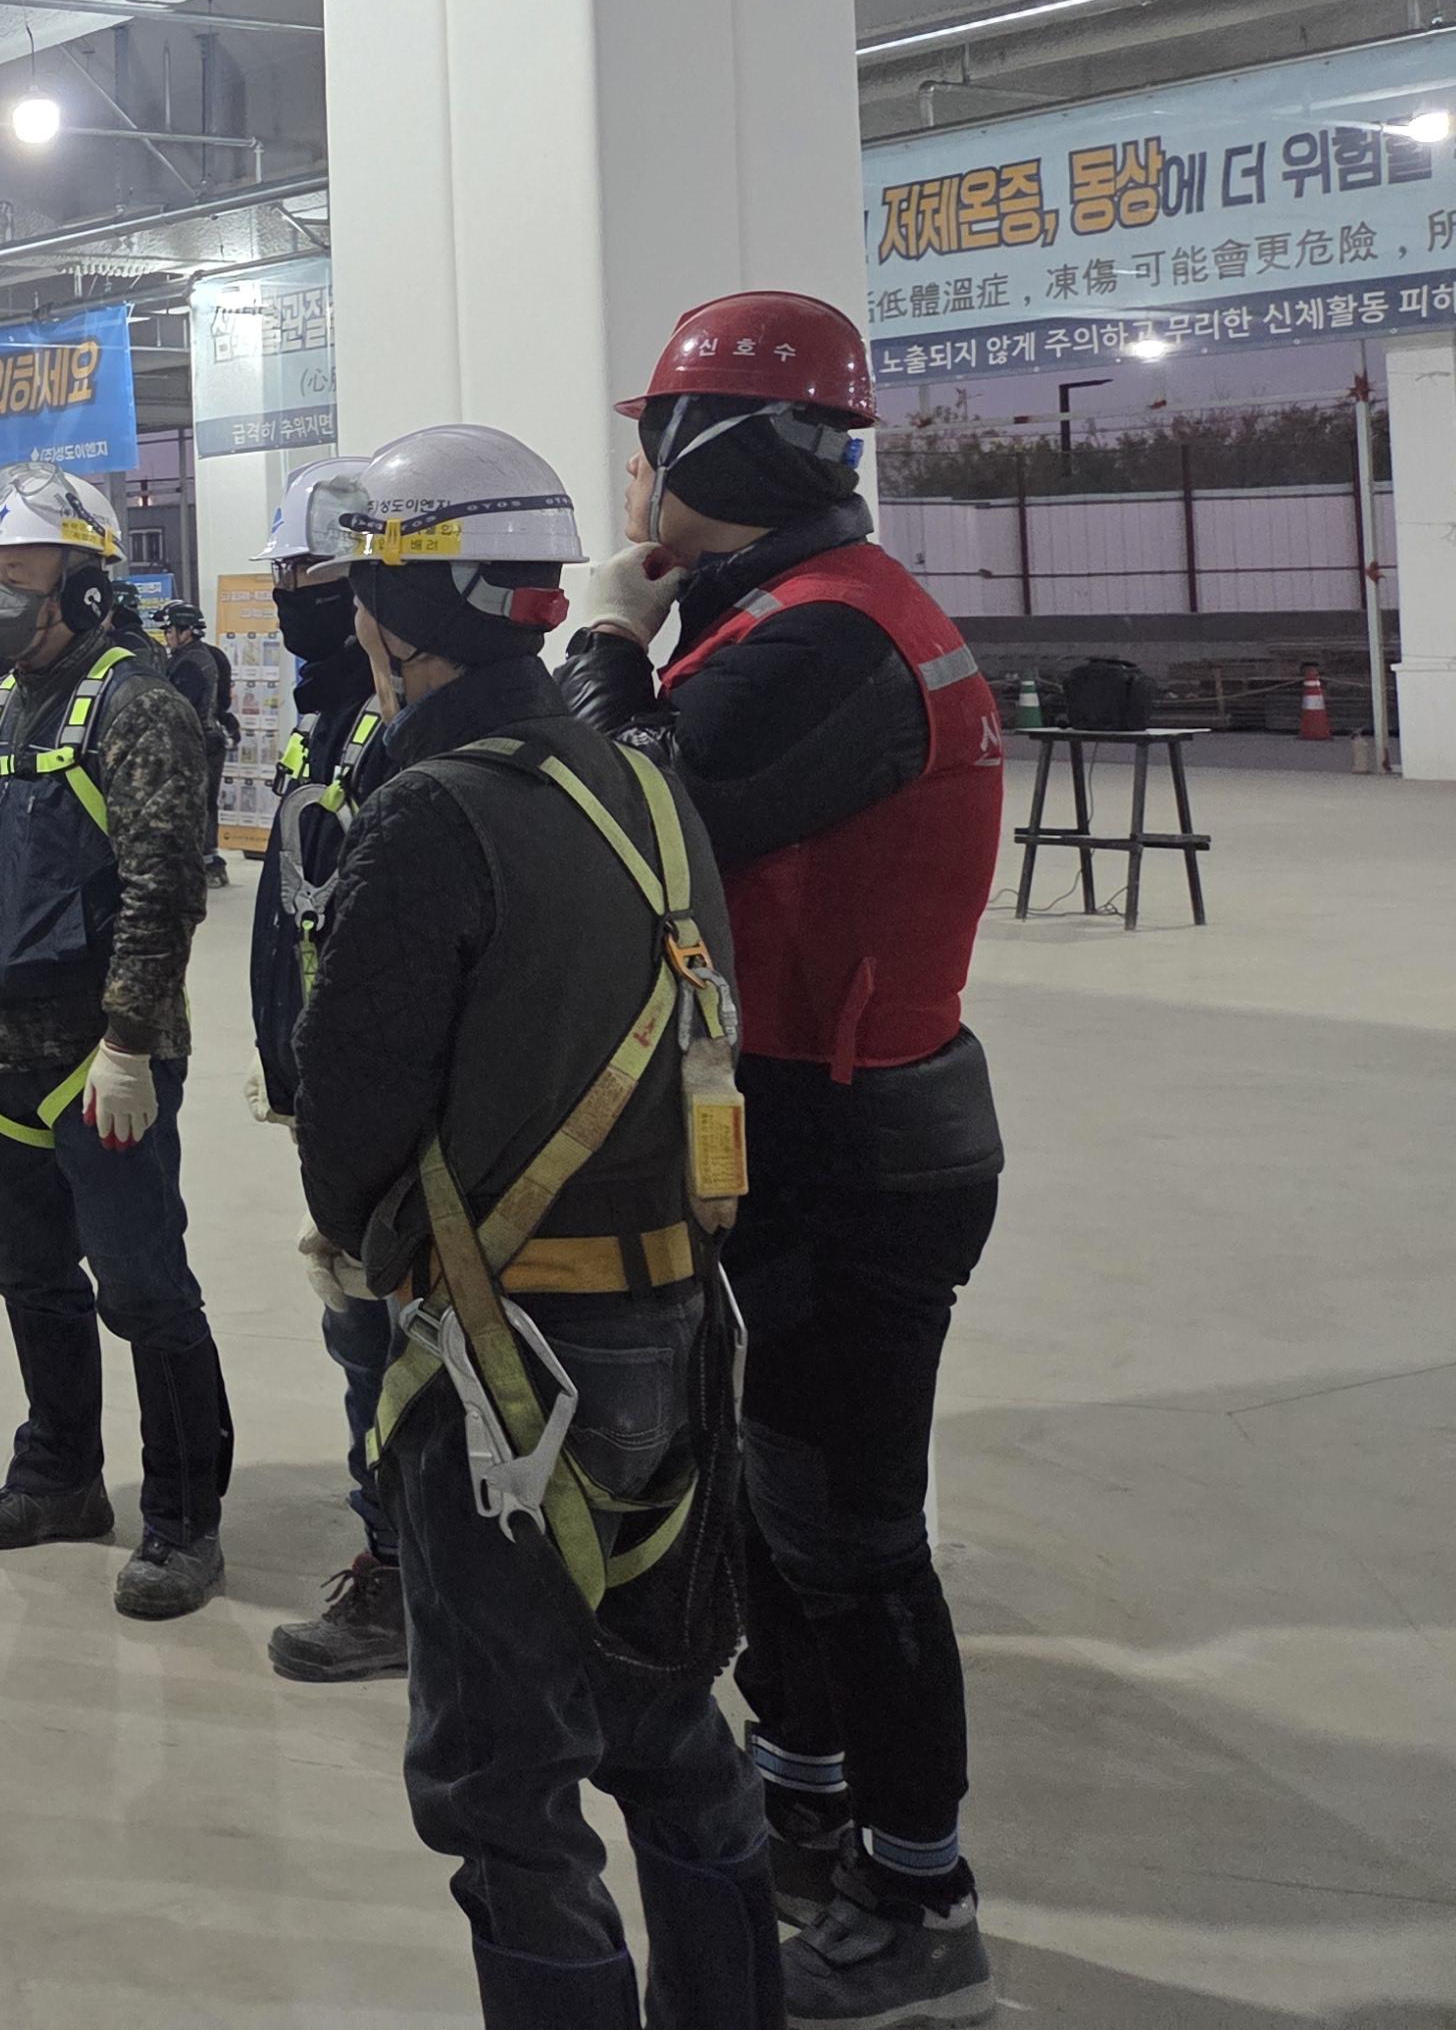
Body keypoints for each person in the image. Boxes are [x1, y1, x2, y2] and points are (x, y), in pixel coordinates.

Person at [559, 289, 1010, 2028]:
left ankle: (920, 1895)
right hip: (806, 1120)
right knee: (777, 1498)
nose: (635, 477)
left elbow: (640, 816)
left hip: (857, 1148)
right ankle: (806, 1791)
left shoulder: (829, 636)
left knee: (851, 1530)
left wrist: (604, 649)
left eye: (652, 445)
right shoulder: (791, 611)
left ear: (717, 451)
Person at [291, 423, 776, 2028]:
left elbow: (350, 1126)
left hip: (510, 1371)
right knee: (672, 1730)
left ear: (396, 616)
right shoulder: (646, 787)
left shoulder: (431, 812)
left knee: (506, 1790)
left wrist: (385, 1249)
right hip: (678, 1334)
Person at [0, 464, 233, 1619]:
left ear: (89, 585)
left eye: (22, 578)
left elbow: (164, 886)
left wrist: (130, 1042)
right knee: (29, 1275)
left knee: (144, 1288)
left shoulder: (137, 706)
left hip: (102, 1066)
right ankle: (59, 1474)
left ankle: (184, 1519)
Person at [241, 455, 411, 1687]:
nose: (293, 591)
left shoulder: (404, 728)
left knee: (390, 1340)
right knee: (360, 1328)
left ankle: (407, 1574)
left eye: (314, 571)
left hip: (387, 1100)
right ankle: (397, 1551)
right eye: (288, 571)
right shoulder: (328, 720)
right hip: (329, 1091)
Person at [159, 596, 240, 887]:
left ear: (187, 631)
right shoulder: (209, 655)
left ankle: (204, 865)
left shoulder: (188, 664)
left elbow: (181, 708)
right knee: (205, 804)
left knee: (195, 805)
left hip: (197, 744)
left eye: (170, 630)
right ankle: (208, 862)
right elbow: (222, 703)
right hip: (210, 740)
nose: (167, 636)